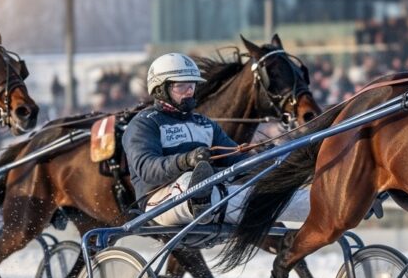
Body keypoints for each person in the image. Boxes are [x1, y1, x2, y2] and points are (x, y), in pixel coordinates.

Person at [122, 53, 309, 226]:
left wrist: (264, 159)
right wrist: (186, 160)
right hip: (159, 201)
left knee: (270, 193)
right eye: (181, 86)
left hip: (214, 192)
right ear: (160, 89)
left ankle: (315, 206)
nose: (189, 92)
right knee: (191, 181)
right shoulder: (144, 123)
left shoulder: (205, 123)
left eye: (192, 85)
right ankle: (202, 200)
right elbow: (147, 169)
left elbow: (237, 161)